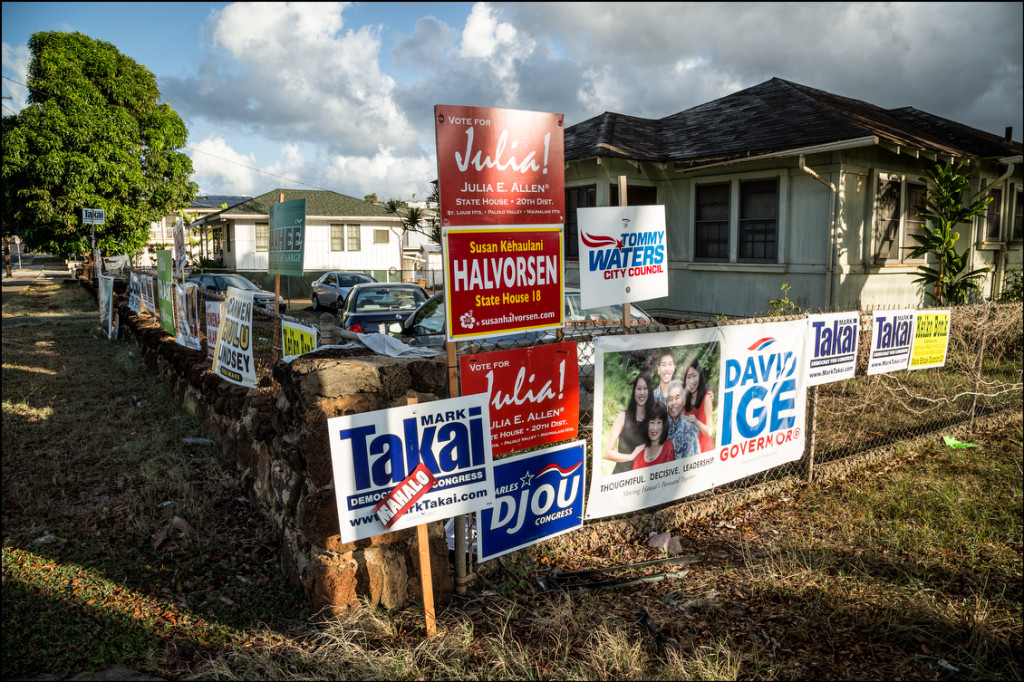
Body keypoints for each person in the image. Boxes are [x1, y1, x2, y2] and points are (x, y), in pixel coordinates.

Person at [603, 373, 651, 474]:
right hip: (623, 476)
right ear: (634, 391)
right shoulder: (623, 417)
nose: (642, 392)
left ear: (649, 391)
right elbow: (607, 453)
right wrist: (631, 456)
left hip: (644, 477)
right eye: (639, 388)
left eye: (645, 388)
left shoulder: (653, 419)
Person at [630, 400, 674, 470]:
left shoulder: (668, 446)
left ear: (663, 426)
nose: (655, 428)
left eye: (659, 423)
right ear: (647, 425)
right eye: (652, 422)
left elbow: (671, 477)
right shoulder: (640, 452)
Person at [682, 358, 715, 453]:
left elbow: (709, 431)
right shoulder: (684, 400)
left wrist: (696, 421)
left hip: (704, 452)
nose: (691, 381)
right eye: (688, 377)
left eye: (694, 376)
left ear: (700, 377)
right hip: (690, 453)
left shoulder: (706, 398)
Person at [666, 379, 701, 459]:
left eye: (677, 398)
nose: (674, 403)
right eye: (670, 399)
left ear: (684, 400)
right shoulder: (664, 426)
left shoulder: (689, 428)